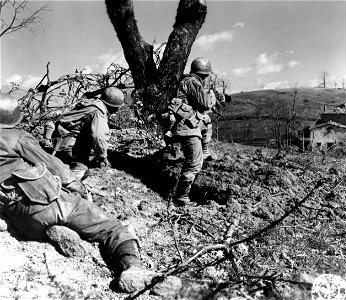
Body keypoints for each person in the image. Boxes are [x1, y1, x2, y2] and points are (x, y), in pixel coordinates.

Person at [0, 93, 179, 293]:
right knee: (111, 227)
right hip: (48, 203)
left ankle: (53, 231)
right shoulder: (16, 136)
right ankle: (133, 268)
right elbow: (55, 167)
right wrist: (80, 188)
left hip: (20, 219)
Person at [164, 57, 218, 206]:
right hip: (186, 127)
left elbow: (201, 109)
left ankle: (205, 151)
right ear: (205, 74)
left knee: (206, 120)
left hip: (189, 123)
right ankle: (181, 196)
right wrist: (212, 94)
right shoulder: (192, 82)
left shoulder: (189, 81)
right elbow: (206, 104)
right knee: (194, 163)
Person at [51, 86, 125, 170]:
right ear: (114, 107)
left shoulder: (92, 103)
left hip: (60, 139)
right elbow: (99, 136)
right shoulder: (98, 111)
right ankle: (73, 162)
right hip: (67, 144)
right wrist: (102, 157)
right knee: (82, 170)